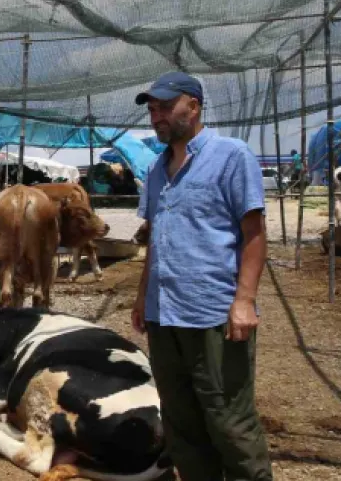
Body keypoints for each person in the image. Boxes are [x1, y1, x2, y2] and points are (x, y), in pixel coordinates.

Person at [131, 72, 273, 481]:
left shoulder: (231, 155)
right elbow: (157, 238)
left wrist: (244, 300)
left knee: (230, 420)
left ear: (193, 105)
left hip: (213, 314)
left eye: (164, 106)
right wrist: (143, 297)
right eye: (152, 109)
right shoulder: (157, 169)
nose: (156, 116)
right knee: (181, 422)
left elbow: (254, 233)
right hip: (164, 315)